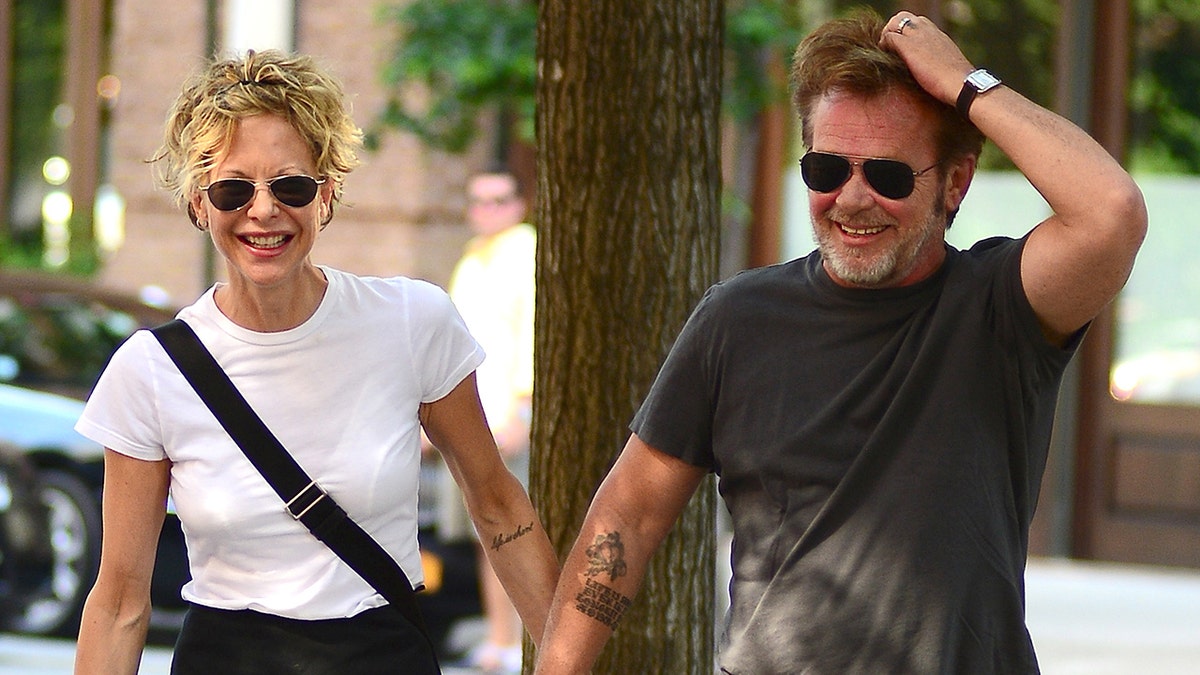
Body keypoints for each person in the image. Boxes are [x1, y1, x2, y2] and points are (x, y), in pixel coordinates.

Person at [535, 8, 1146, 675]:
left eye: (886, 175)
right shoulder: (736, 320)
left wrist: (967, 84)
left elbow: (1110, 212)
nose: (851, 199)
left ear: (955, 183)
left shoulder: (1002, 309)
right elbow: (629, 513)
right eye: (826, 168)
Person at [71, 49, 558, 674]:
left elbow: (499, 507)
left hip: (381, 655)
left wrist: (567, 661)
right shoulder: (150, 371)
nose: (264, 210)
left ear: (325, 194)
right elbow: (118, 602)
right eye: (233, 188)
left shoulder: (412, 322)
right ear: (199, 203)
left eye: (291, 185)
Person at [436, 169, 536, 673]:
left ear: (520, 205)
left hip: (513, 415)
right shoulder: (473, 259)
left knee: (516, 528)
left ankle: (523, 641)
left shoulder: (526, 252)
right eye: (479, 201)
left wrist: (523, 407)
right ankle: (501, 638)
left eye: (499, 200)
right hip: (477, 416)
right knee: (487, 532)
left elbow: (533, 335)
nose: (488, 210)